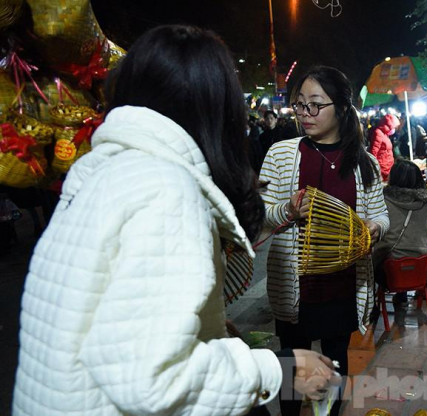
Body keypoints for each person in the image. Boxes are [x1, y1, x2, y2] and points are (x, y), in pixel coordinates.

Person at [12, 25, 337, 416]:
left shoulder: (106, 171)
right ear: (216, 108)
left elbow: (115, 321)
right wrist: (277, 369)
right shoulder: (164, 190)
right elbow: (153, 379)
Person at [259, 65, 389, 416]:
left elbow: (380, 215)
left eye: (316, 105)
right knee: (291, 370)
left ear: (343, 108)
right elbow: (261, 213)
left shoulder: (364, 164)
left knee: (333, 370)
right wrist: (287, 210)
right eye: (300, 105)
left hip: (343, 286)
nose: (306, 114)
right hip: (294, 288)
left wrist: (373, 230)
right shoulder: (281, 155)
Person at [372, 159, 427, 303]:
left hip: (389, 271)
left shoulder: (382, 202)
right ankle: (406, 296)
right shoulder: (425, 204)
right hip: (422, 271)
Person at [369, 113, 399, 182]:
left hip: (388, 167)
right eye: (394, 127)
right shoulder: (378, 133)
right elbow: (373, 152)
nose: (394, 129)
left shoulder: (385, 134)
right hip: (382, 168)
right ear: (388, 125)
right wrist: (374, 167)